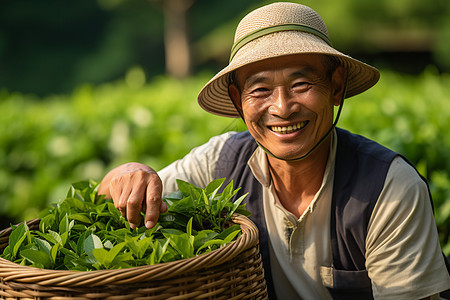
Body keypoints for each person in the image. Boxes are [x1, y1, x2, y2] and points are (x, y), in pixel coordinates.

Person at [98, 2, 450, 299]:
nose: (282, 108)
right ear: (238, 101)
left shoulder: (389, 189)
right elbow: (107, 200)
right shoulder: (219, 164)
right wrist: (129, 172)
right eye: (260, 90)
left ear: (336, 87)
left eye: (301, 84)